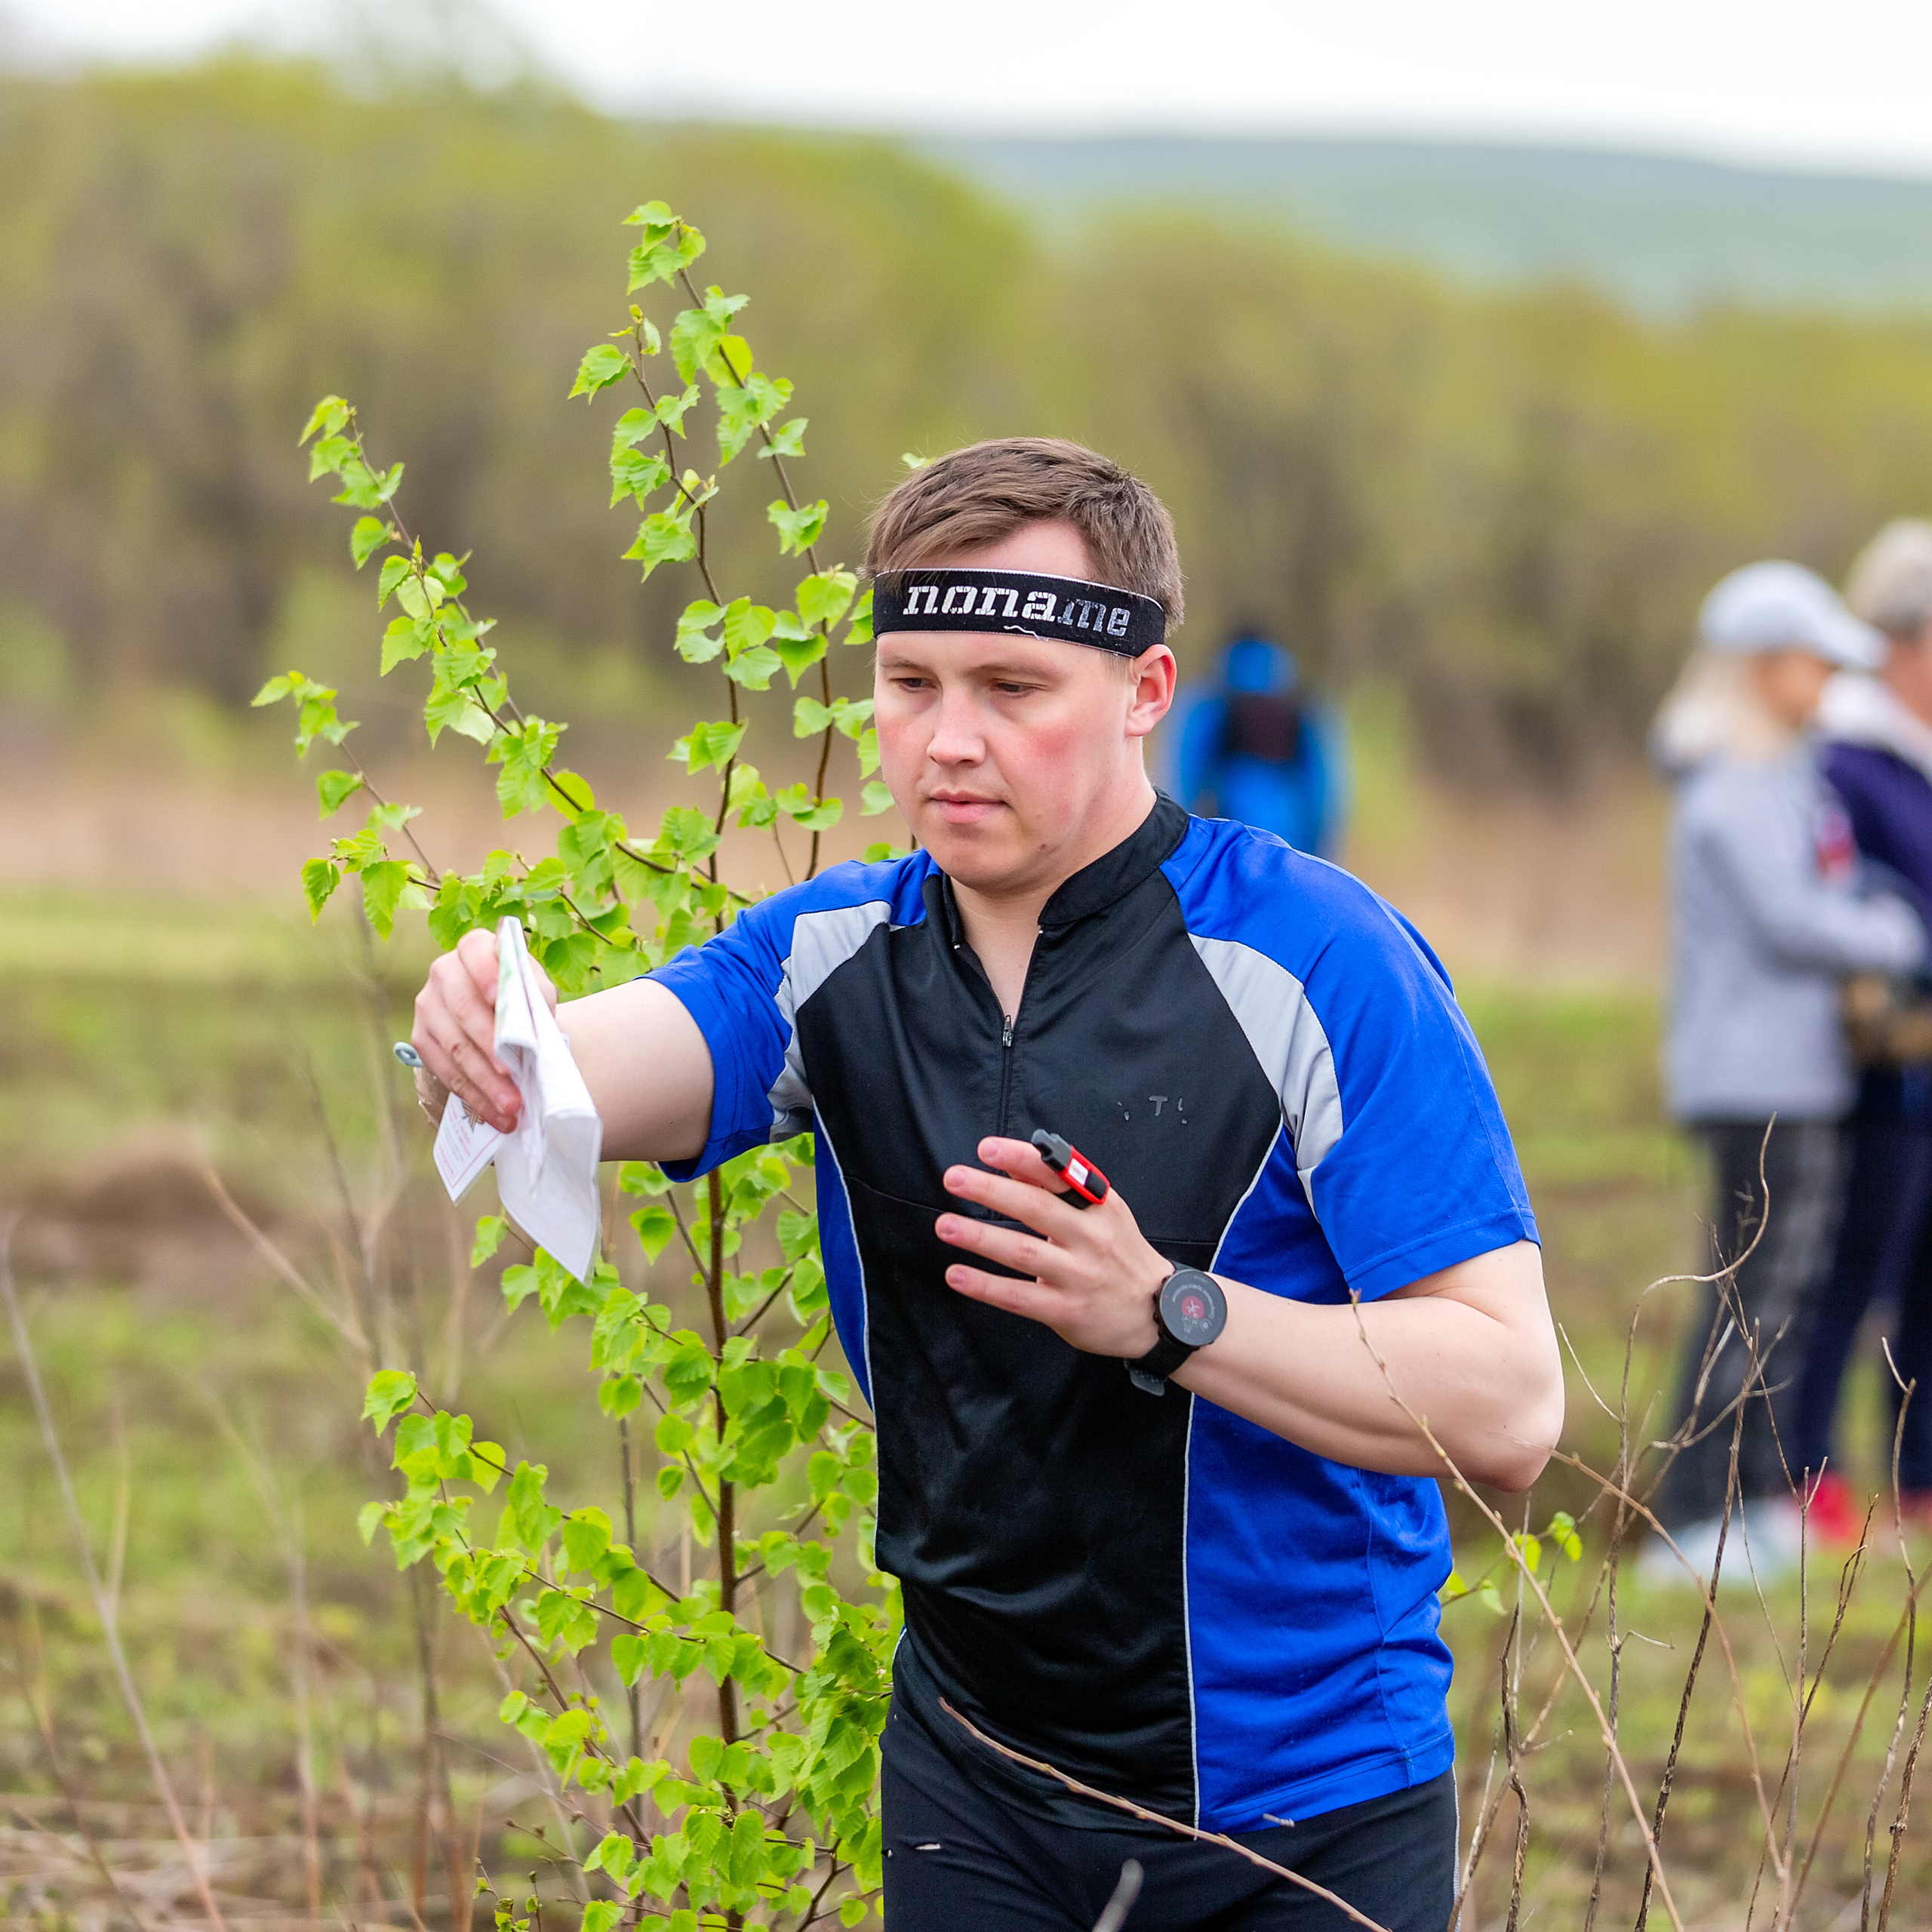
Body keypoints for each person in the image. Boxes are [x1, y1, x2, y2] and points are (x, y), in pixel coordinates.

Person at [410, 438, 1564, 1929]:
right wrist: (483, 1028)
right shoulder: (830, 950)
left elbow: (1512, 1404)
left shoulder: (1323, 960)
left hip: (1301, 1802)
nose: (946, 739)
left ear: (1144, 691)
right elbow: (575, 1073)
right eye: (909, 684)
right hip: (974, 1776)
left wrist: (1167, 1310)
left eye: (1011, 688)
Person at [1644, 561, 1924, 1587]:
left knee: (1783, 1296)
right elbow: (1792, 918)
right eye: (1814, 664)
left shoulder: (1777, 775)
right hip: (1755, 1083)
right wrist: (1891, 930)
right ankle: (1693, 1516)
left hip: (1795, 1079)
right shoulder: (1730, 787)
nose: (1830, 686)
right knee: (1750, 1298)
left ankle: (1757, 1504)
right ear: (1762, 668)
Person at [1787, 521, 1932, 1539]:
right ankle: (1810, 1479)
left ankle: (1919, 1478)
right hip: (1876, 1071)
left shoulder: (1915, 757)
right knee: (1846, 1278)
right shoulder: (1845, 759)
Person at [1166, 632, 1350, 857]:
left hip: (1226, 850)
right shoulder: (1304, 706)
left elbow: (1186, 774)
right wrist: (1325, 852)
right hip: (1293, 846)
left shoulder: (1209, 703)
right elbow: (1325, 787)